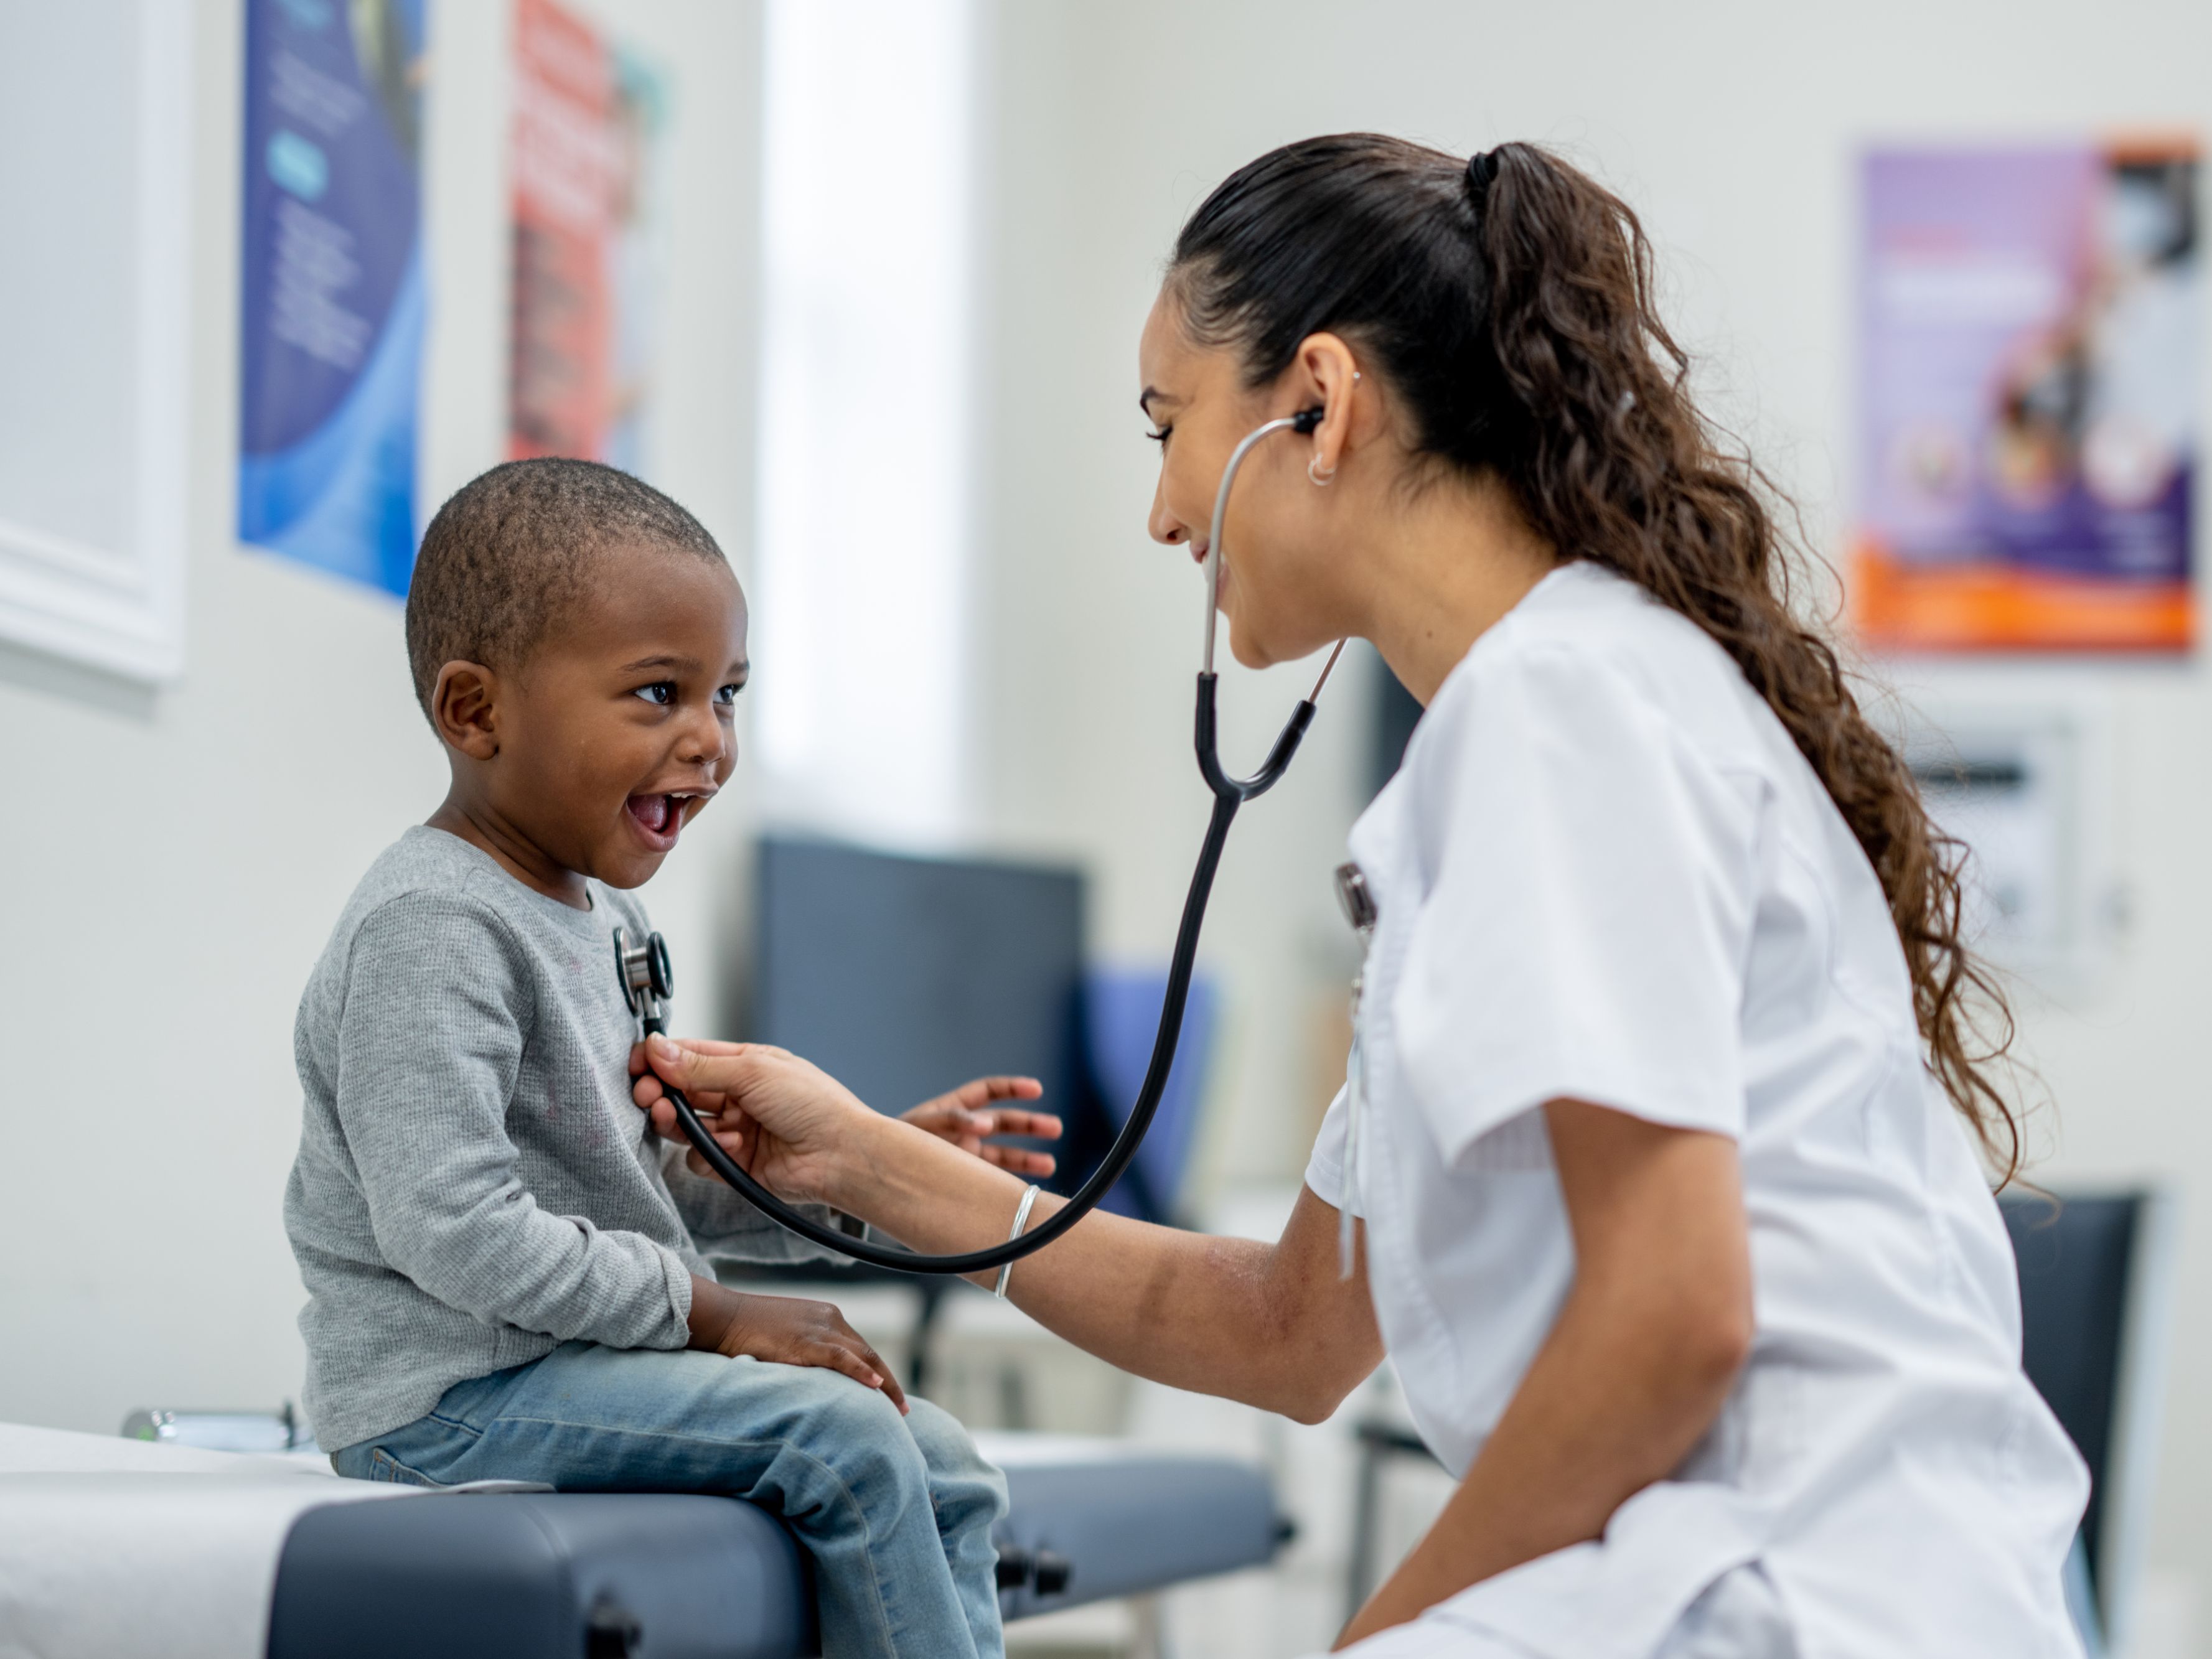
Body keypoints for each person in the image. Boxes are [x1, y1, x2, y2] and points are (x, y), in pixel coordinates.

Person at [631, 138, 2091, 1657]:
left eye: (1166, 426)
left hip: (1795, 1591)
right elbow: (1293, 1328)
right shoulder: (1538, 716)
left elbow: (1669, 1327)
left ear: (1317, 404)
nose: (1162, 514)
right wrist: (860, 1156)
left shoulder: (1559, 706)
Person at [283, 458, 1060, 1659]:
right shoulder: (433, 925)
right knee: (843, 1438)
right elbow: (455, 1231)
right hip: (448, 1402)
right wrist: (716, 1313)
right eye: (658, 693)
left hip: (579, 1365)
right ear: (475, 710)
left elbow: (655, 1192)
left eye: (728, 695)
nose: (710, 742)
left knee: (940, 1456)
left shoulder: (612, 924)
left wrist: (874, 1170)